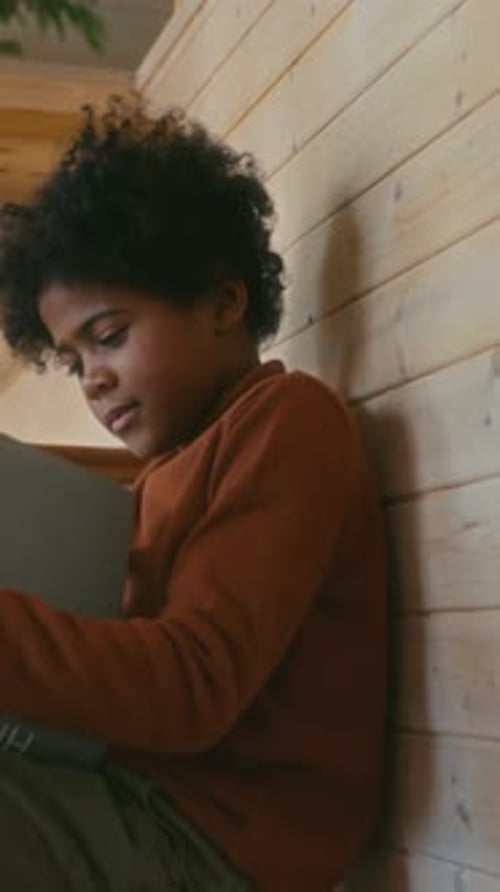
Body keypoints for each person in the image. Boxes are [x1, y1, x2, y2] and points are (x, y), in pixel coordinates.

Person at [0, 97, 387, 892]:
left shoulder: (287, 422)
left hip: (223, 846)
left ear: (222, 301)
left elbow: (192, 684)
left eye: (109, 337)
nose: (93, 377)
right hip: (142, 805)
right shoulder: (160, 476)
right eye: (73, 361)